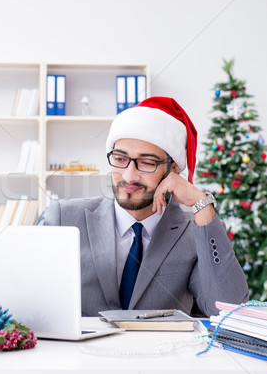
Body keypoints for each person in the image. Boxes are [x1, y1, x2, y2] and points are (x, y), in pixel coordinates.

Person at [38, 96, 249, 317]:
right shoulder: (62, 218)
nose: (129, 176)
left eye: (147, 163)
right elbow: (28, 300)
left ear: (173, 170)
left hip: (163, 352)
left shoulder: (196, 230)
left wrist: (201, 204)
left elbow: (230, 312)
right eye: (120, 159)